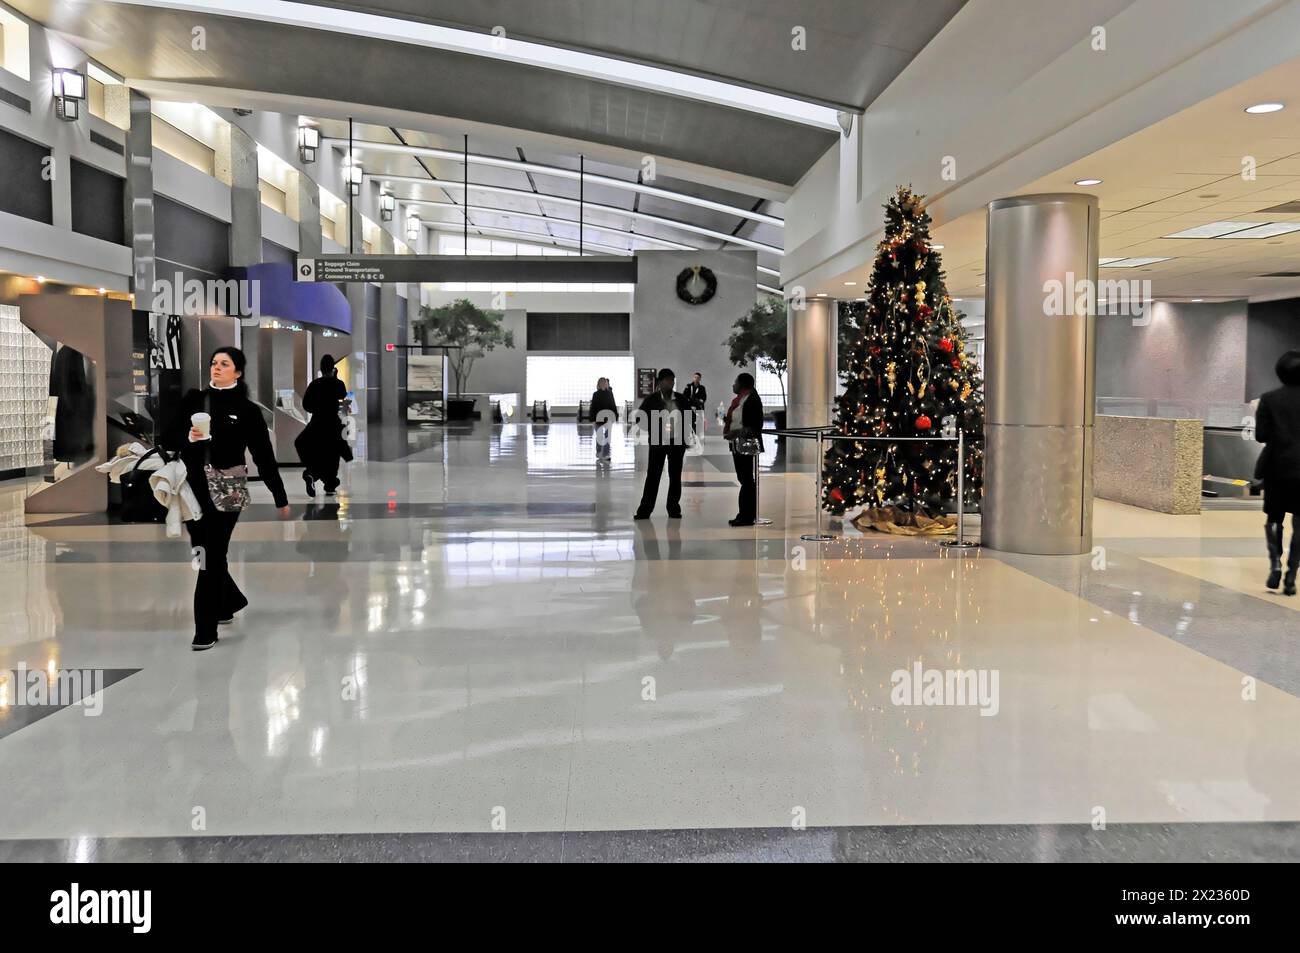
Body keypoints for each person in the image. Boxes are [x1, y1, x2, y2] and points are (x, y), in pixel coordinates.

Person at [163, 346, 290, 650]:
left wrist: (279, 495)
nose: (216, 368)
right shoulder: (195, 400)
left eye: (224, 364)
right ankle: (228, 600)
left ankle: (204, 629)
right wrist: (188, 438)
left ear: (238, 371)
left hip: (228, 488)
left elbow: (263, 454)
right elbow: (167, 439)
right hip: (193, 488)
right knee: (202, 551)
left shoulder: (247, 410)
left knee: (210, 554)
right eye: (213, 363)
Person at [1255, 349, 1300, 595]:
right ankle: (1292, 576)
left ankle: (1275, 565)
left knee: (1274, 518)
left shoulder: (1269, 399)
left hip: (1276, 468)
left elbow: (1261, 435)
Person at [634, 368, 688, 519]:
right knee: (653, 475)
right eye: (668, 380)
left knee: (675, 476)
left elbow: (689, 417)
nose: (671, 383)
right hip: (658, 441)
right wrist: (654, 425)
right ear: (660, 382)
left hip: (677, 442)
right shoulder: (652, 399)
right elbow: (640, 418)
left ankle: (673, 509)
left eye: (672, 380)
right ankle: (644, 510)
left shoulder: (681, 399)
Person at [296, 354, 349, 496]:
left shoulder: (315, 384)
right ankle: (329, 483)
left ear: (320, 368)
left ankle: (312, 473)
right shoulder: (338, 384)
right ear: (333, 368)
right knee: (333, 454)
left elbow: (306, 405)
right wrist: (335, 377)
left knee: (311, 448)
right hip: (333, 424)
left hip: (317, 423)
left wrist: (317, 410)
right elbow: (342, 396)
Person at [723, 372, 765, 527]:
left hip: (746, 443)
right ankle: (744, 514)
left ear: (742, 384)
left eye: (735, 382)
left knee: (746, 480)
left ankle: (747, 516)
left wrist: (736, 432)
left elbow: (755, 424)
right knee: (744, 479)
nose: (733, 384)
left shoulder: (751, 399)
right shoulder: (742, 398)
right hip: (738, 442)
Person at [589, 377, 618, 464]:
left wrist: (615, 416)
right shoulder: (595, 394)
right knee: (599, 437)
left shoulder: (609, 394)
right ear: (599, 384)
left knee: (607, 436)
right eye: (602, 383)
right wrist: (592, 419)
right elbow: (593, 407)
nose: (604, 385)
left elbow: (613, 405)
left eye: (605, 383)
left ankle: (605, 454)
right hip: (598, 419)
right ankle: (599, 453)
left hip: (608, 418)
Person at [683, 371, 708, 437]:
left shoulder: (702, 388)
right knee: (688, 422)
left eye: (698, 378)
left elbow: (704, 398)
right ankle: (689, 435)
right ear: (693, 378)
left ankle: (698, 436)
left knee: (699, 422)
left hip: (699, 408)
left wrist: (700, 401)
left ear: (700, 379)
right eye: (695, 377)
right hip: (689, 407)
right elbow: (684, 396)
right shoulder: (688, 386)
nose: (696, 379)